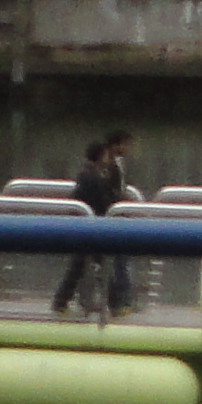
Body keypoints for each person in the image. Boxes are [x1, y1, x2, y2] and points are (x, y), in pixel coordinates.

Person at [49, 129, 136, 320]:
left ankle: (62, 302)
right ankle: (117, 305)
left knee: (81, 265)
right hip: (92, 228)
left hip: (88, 226)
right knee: (104, 262)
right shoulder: (93, 178)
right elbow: (102, 201)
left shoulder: (90, 175)